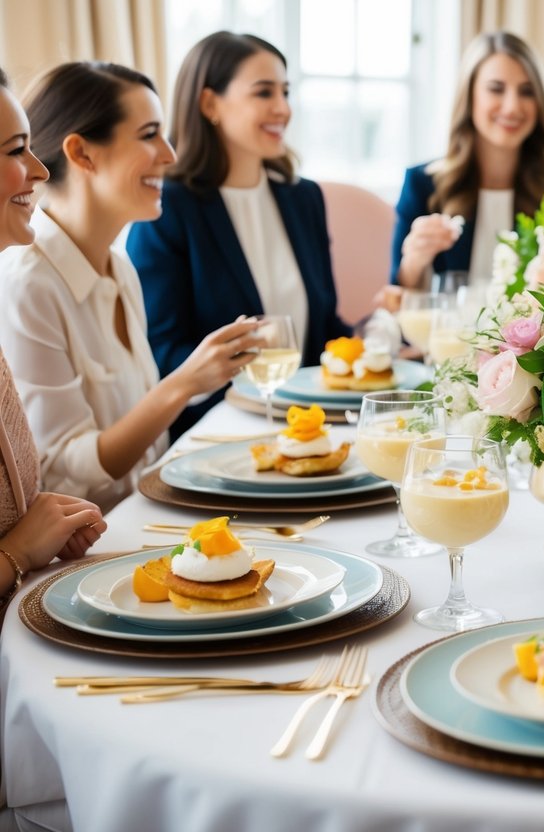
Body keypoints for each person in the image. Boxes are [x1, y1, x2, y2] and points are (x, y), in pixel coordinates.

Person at [0, 63, 262, 510]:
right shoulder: (28, 285)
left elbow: (149, 454)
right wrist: (182, 384)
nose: (170, 154)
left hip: (148, 513)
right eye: (148, 134)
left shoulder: (120, 268)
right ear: (82, 154)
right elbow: (62, 472)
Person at [127, 32, 350, 435]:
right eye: (264, 93)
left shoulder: (304, 198)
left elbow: (325, 328)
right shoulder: (167, 206)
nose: (282, 108)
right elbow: (161, 351)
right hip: (216, 431)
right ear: (210, 103)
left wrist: (377, 343)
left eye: (285, 91)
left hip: (310, 425)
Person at [0, 66, 106, 609]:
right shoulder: (27, 282)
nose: (40, 169)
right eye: (16, 150)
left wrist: (42, 520)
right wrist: (16, 551)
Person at [381, 31, 544, 304]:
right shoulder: (422, 184)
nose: (512, 107)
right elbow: (396, 302)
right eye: (496, 89)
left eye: (526, 91)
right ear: (470, 95)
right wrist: (414, 262)